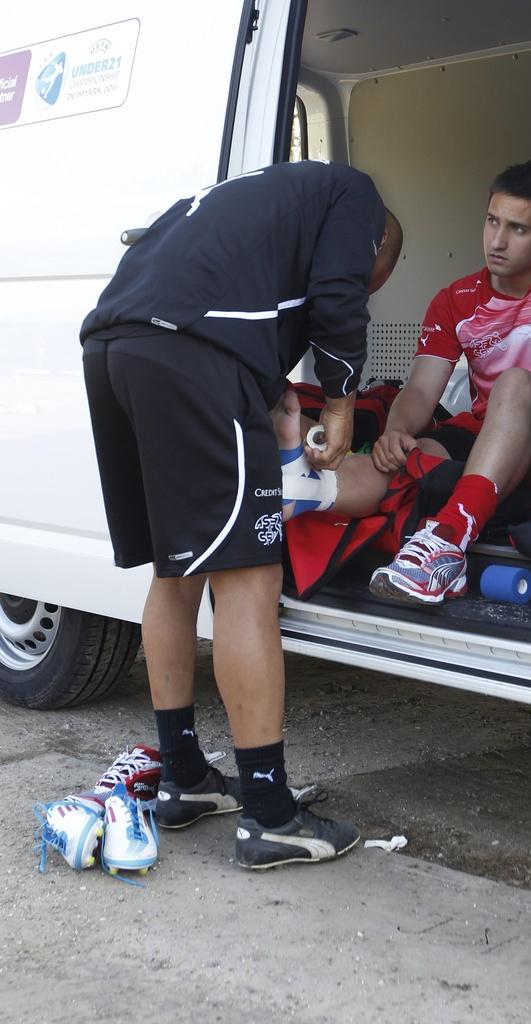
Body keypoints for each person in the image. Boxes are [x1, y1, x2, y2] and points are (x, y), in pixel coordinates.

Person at [80, 160, 402, 870]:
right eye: (379, 273)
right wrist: (342, 402)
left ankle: (185, 778)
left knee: (179, 570)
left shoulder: (247, 200)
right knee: (249, 582)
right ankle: (268, 815)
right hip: (192, 353)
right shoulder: (357, 199)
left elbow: (266, 309)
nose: (368, 281)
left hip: (114, 346)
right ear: (380, 244)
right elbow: (336, 297)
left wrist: (271, 403)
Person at [279, 159, 531, 606]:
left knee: (514, 384)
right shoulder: (455, 300)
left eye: (517, 229)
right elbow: (420, 390)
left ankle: (447, 541)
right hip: (491, 431)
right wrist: (396, 431)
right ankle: (288, 495)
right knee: (402, 457)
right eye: (492, 221)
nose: (497, 241)